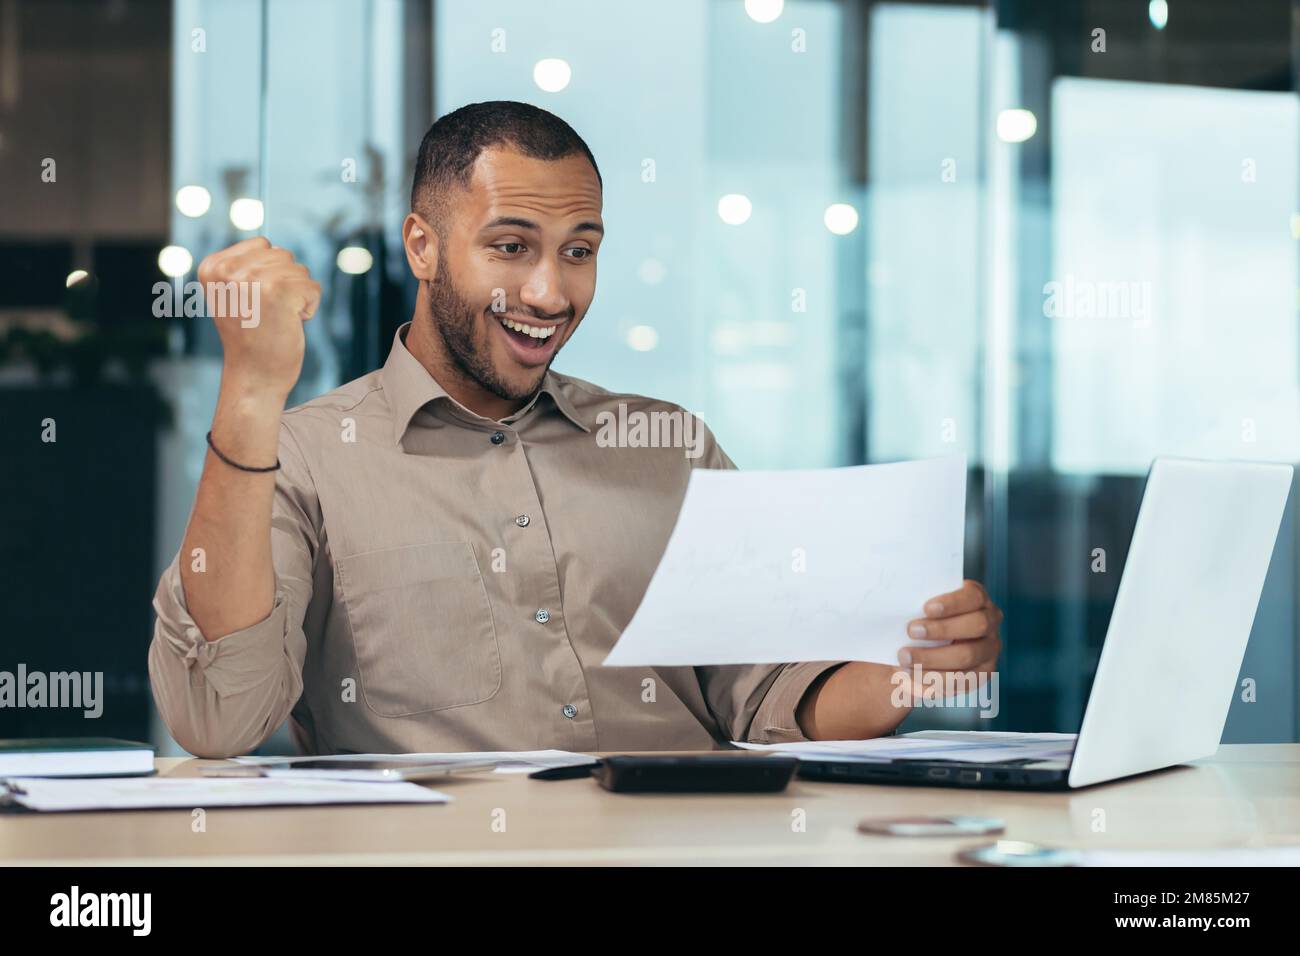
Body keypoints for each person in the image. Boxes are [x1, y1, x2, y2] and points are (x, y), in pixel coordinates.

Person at [149, 100, 1001, 758]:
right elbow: (218, 718)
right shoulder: (302, 458)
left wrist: (907, 673)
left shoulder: (672, 448)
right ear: (422, 245)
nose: (552, 293)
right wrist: (252, 393)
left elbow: (770, 695)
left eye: (580, 250)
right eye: (512, 247)